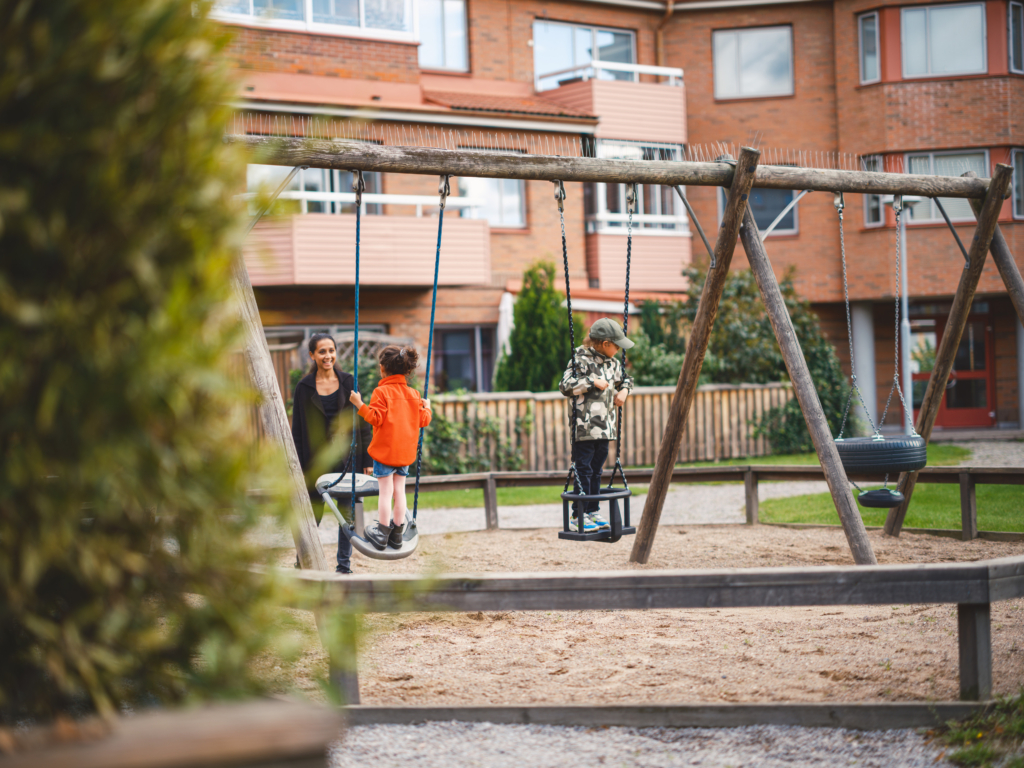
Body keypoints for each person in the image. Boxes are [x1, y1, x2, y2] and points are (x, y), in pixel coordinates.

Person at [291, 333, 372, 573]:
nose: (328, 356)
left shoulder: (349, 382)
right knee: (312, 514)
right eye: (322, 351)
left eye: (331, 350)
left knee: (347, 515)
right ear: (312, 355)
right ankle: (302, 562)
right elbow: (297, 430)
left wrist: (367, 459)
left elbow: (362, 422)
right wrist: (297, 465)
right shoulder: (304, 387)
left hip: (348, 458)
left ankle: (344, 567)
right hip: (315, 460)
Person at [349, 345, 432, 550]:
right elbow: (424, 420)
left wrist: (359, 404)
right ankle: (397, 534)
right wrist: (428, 407)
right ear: (407, 370)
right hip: (405, 455)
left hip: (385, 454)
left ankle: (382, 533)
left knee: (385, 493)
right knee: (399, 492)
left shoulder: (381, 392)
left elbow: (375, 418)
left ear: (382, 368)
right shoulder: (414, 394)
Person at [558, 317, 634, 533]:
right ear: (605, 343)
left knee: (597, 471)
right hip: (584, 429)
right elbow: (565, 386)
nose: (619, 350)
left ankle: (592, 510)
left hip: (605, 428)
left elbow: (626, 380)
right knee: (584, 469)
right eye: (617, 346)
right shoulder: (580, 360)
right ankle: (578, 514)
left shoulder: (613, 364)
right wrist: (592, 382)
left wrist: (624, 391)